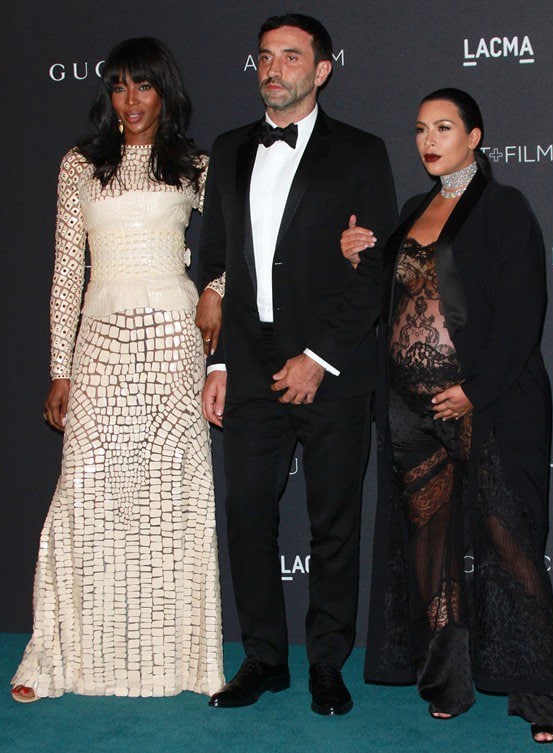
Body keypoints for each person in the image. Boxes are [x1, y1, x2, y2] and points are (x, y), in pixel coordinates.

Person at [341, 88, 553, 743]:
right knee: (431, 548)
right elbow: (391, 301)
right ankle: (448, 681)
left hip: (488, 403)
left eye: (444, 127)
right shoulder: (412, 210)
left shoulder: (504, 207)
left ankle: (539, 693)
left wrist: (474, 387)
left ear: (476, 135)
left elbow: (524, 313)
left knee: (509, 540)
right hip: (410, 410)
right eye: (420, 129)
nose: (429, 139)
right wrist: (361, 255)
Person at [11, 37, 224, 702]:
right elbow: (66, 271)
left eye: (144, 86)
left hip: (172, 343)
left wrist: (215, 292)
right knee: (82, 491)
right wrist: (59, 366)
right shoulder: (79, 165)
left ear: (166, 91)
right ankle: (58, 659)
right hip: (99, 342)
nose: (130, 101)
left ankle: (185, 663)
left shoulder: (197, 165)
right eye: (119, 87)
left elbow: (225, 252)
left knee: (173, 495)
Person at [198, 14, 397, 715]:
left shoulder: (362, 152)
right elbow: (213, 264)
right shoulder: (225, 150)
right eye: (264, 56)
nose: (273, 68)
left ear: (321, 70)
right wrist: (218, 361)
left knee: (333, 519)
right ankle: (263, 658)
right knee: (248, 511)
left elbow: (372, 271)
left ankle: (326, 662)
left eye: (291, 56)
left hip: (332, 369)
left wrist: (319, 357)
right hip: (247, 366)